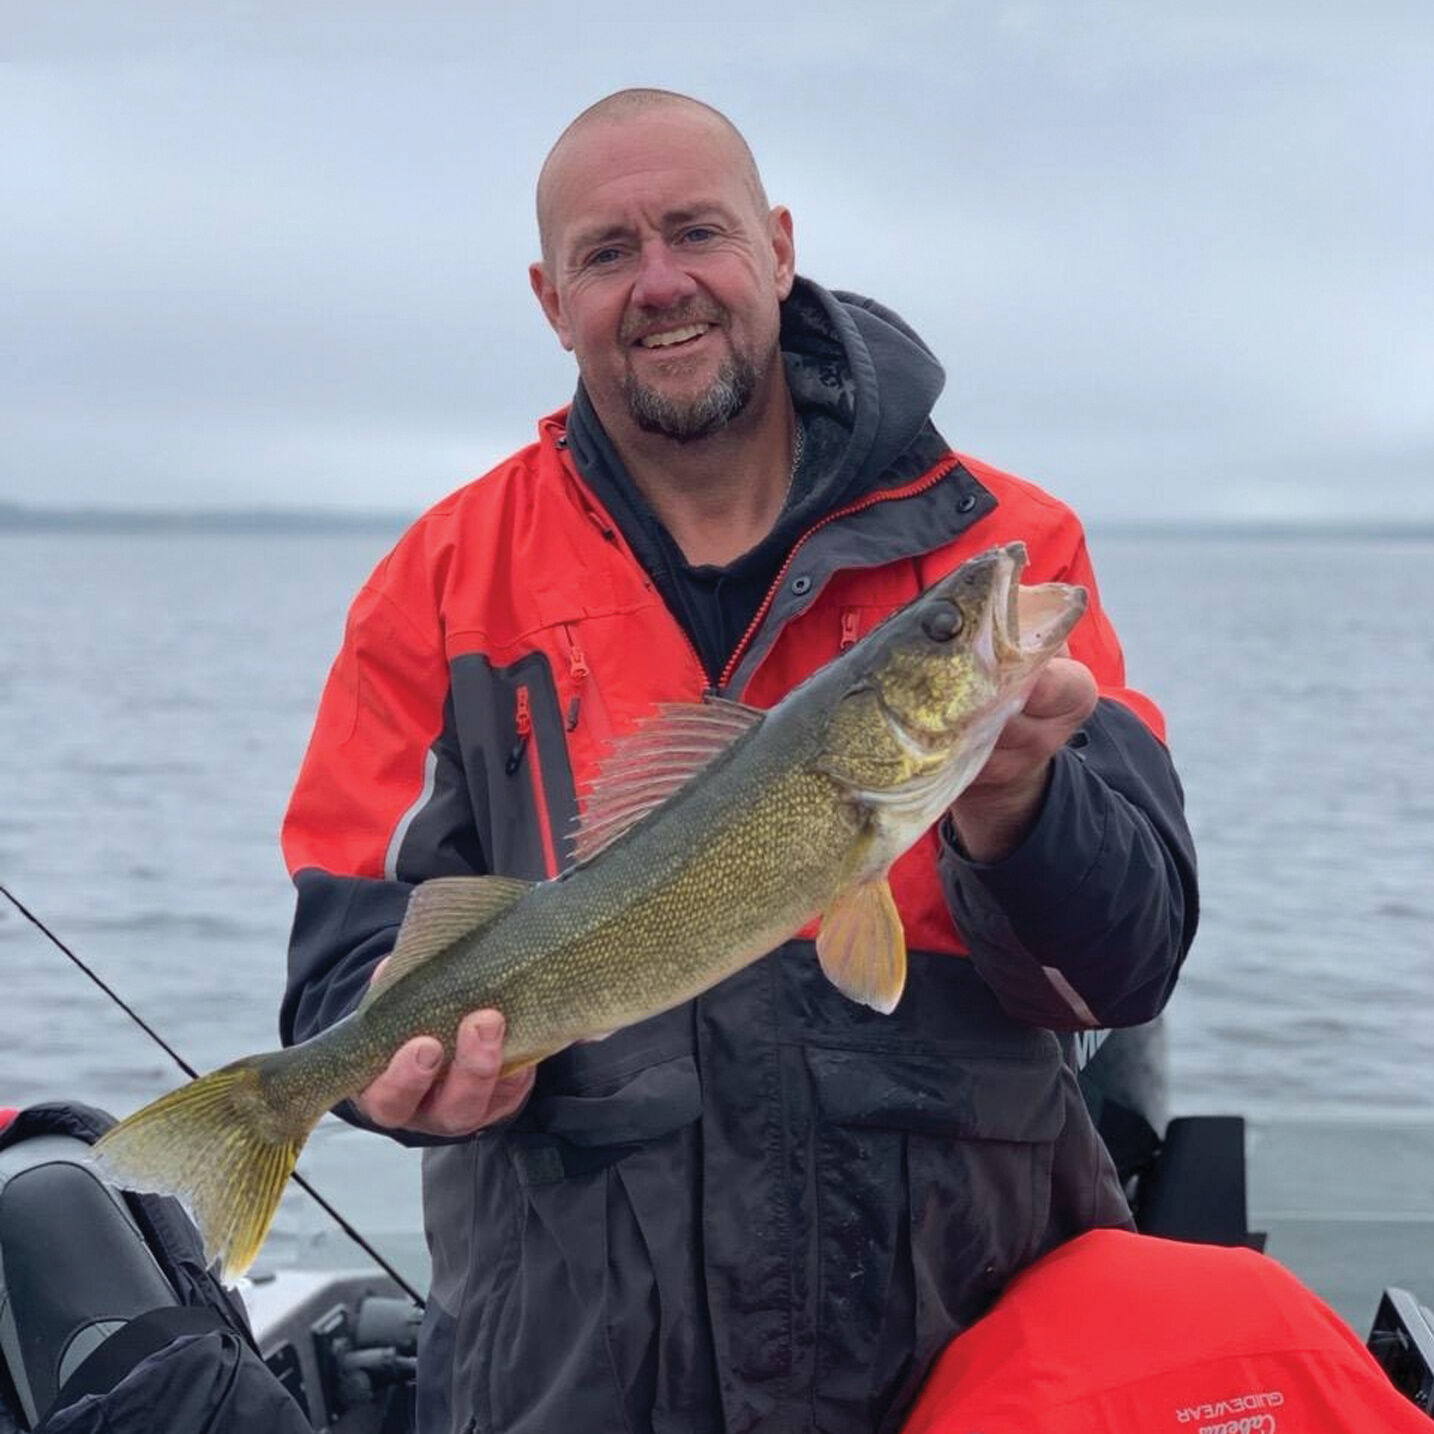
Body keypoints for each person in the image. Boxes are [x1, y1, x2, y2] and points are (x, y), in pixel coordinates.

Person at [279, 88, 1199, 1434]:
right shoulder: (436, 586)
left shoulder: (1007, 540)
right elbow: (339, 970)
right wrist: (388, 1083)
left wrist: (1021, 803)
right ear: (550, 299)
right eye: (607, 253)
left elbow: (1122, 967)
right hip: (570, 1377)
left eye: (696, 232)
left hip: (962, 1355)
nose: (659, 283)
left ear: (775, 244)